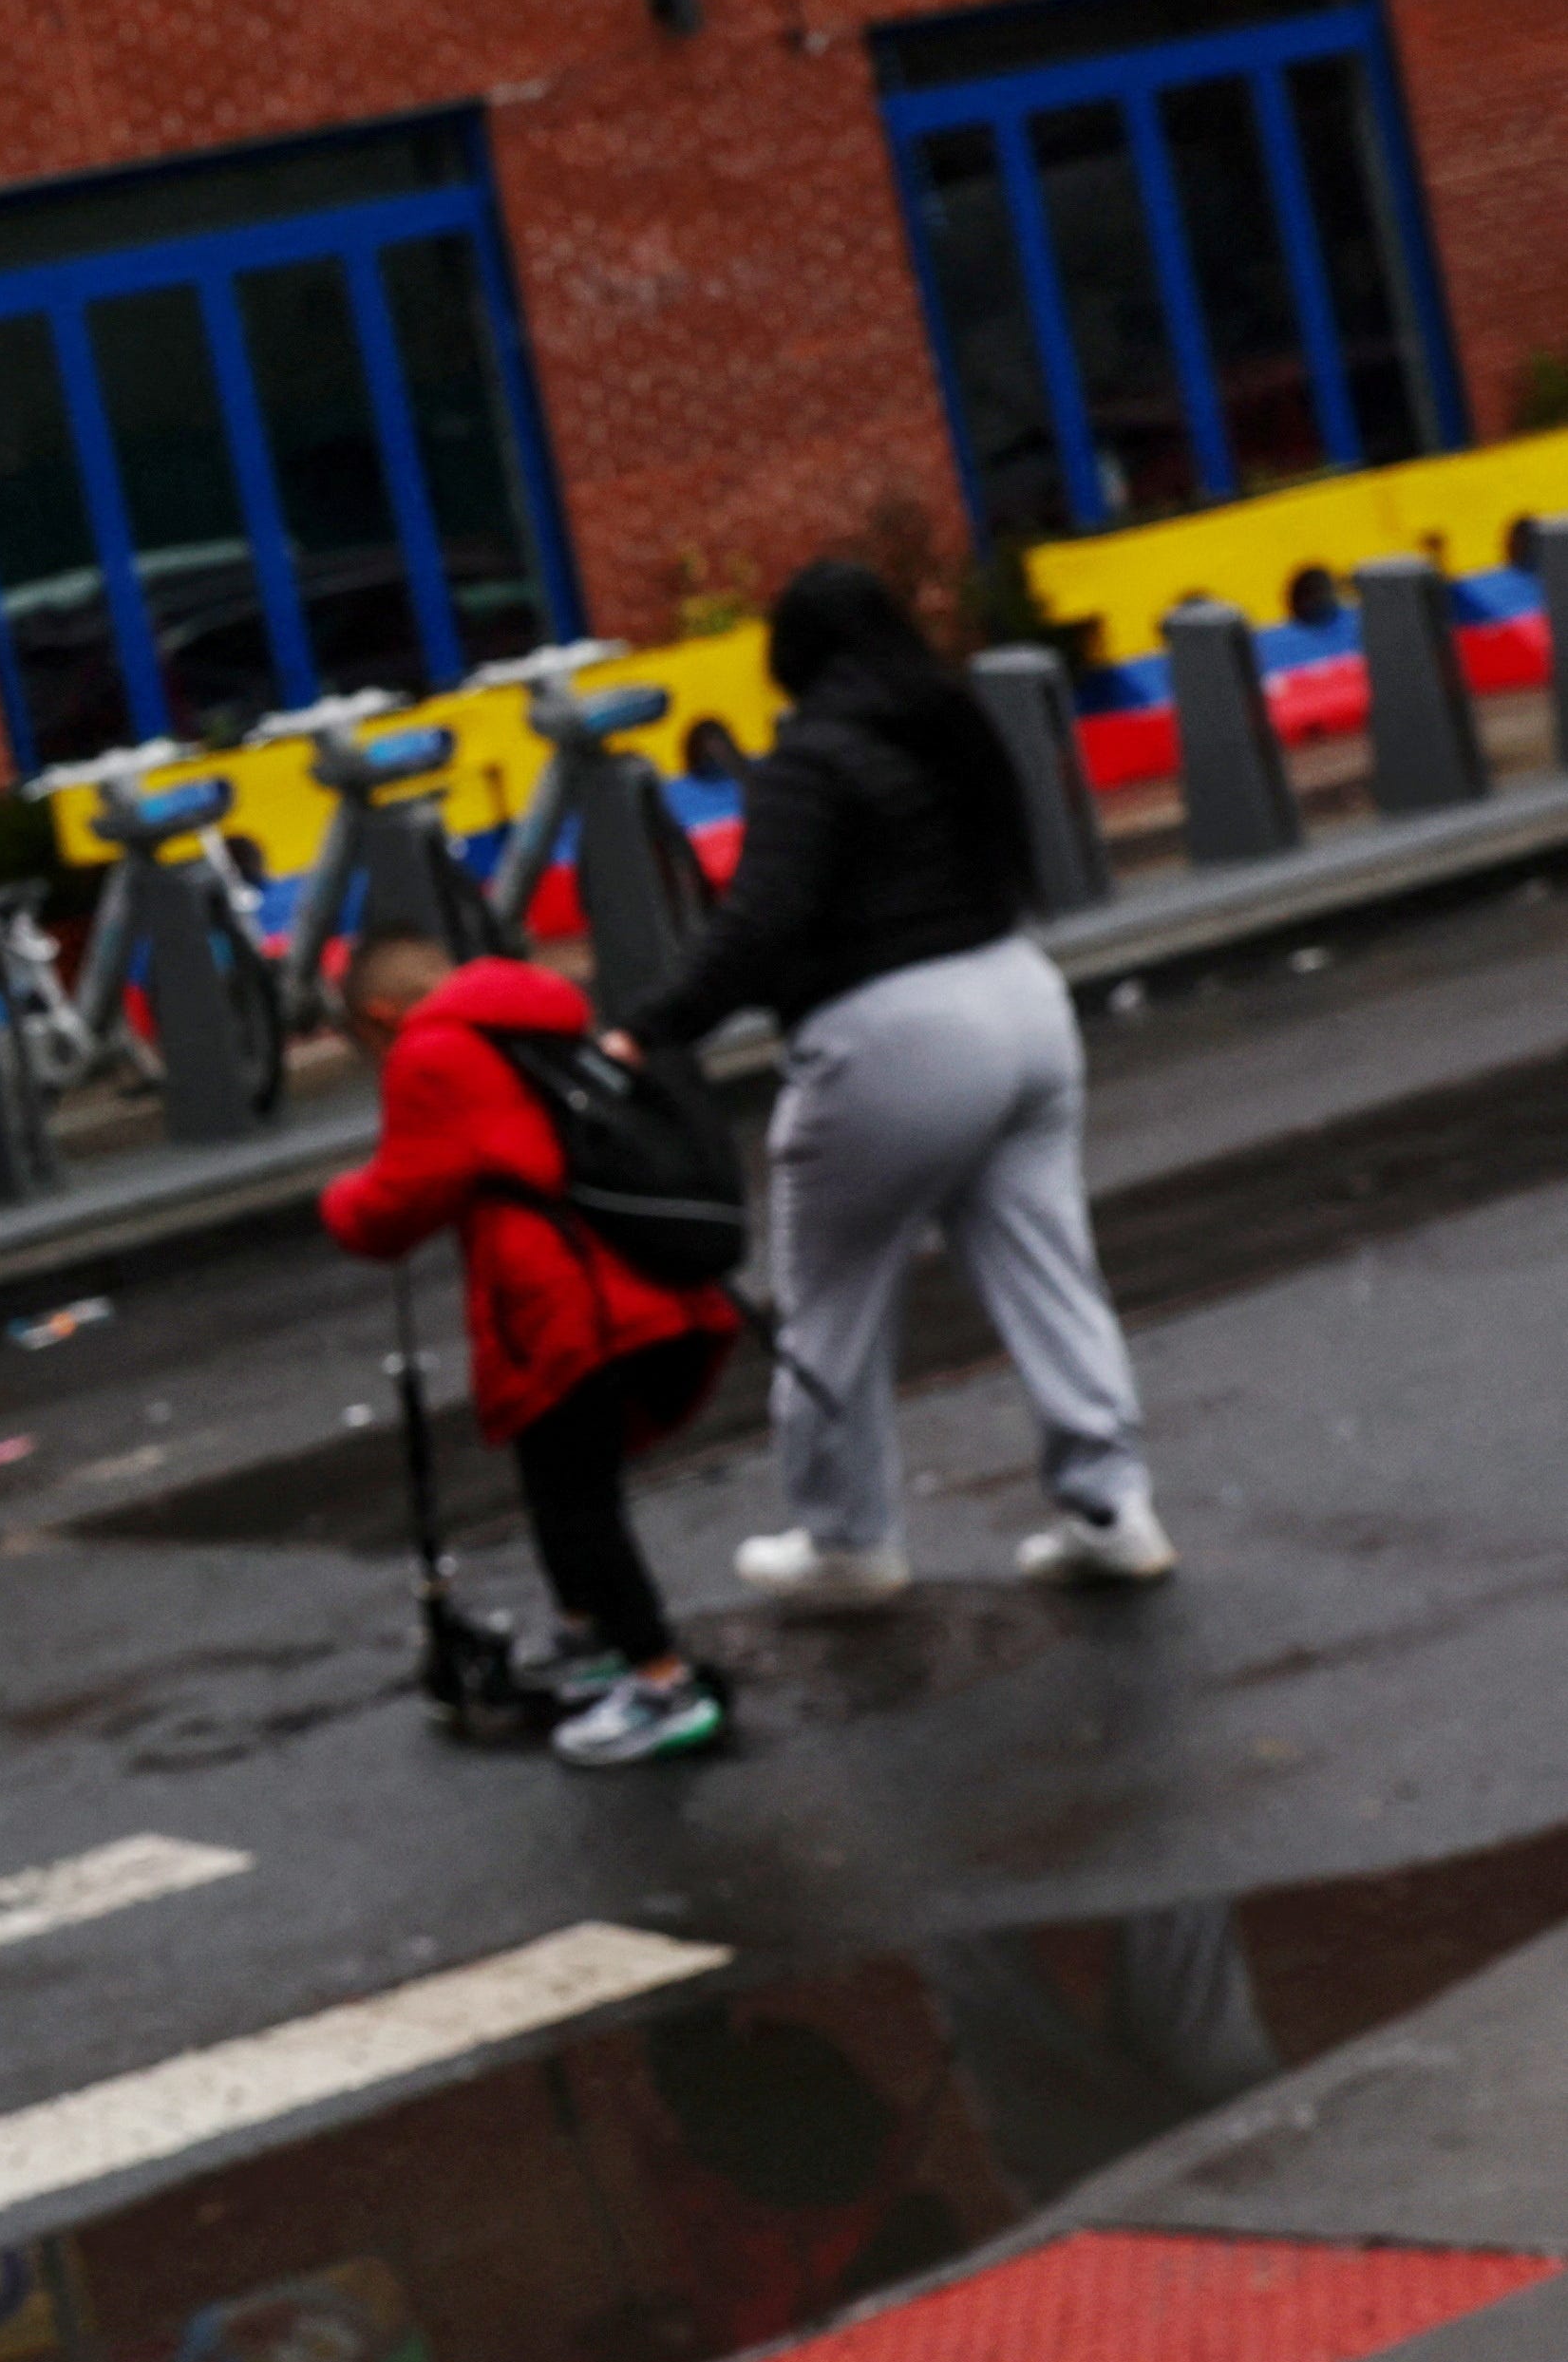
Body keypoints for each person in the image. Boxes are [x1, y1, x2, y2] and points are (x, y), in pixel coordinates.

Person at [616, 557, 1164, 1604]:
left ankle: (847, 1540)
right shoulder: (950, 731)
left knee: (833, 1301)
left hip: (889, 1032)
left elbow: (757, 922)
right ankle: (1112, 1507)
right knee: (1048, 1268)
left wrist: (648, 1031)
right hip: (1021, 997)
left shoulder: (808, 762)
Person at [321, 924, 742, 1767]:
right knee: (566, 1484)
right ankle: (591, 1645)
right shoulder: (532, 1021)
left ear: (379, 1015)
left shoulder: (430, 1054)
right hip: (634, 1279)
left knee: (573, 1502)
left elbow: (401, 1197)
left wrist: (338, 1201)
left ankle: (662, 1683)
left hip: (564, 1305)